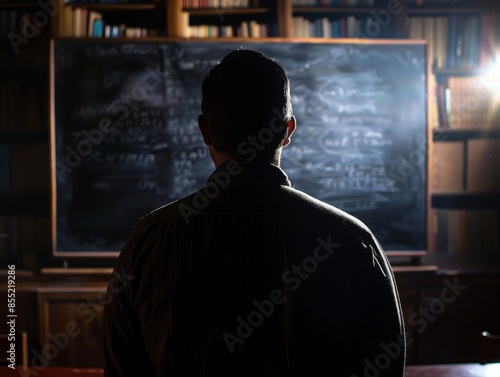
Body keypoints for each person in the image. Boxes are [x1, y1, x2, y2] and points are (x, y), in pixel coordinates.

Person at [103, 49, 405, 377]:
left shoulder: (148, 241)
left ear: (204, 131)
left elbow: (122, 368)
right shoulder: (353, 242)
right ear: (287, 130)